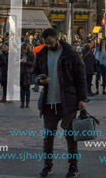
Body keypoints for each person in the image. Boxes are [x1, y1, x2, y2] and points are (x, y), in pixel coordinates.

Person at [33, 28, 88, 178]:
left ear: (57, 39)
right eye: (45, 43)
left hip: (68, 101)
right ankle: (47, 165)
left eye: (50, 43)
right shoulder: (41, 54)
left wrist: (83, 99)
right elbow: (34, 73)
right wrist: (38, 80)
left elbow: (80, 77)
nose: (48, 46)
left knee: (70, 135)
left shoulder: (70, 54)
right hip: (48, 103)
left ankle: (73, 166)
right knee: (48, 136)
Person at [20, 42, 35, 109]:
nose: (23, 51)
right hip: (21, 73)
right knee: (22, 90)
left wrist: (26, 62)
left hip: (28, 73)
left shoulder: (31, 55)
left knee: (27, 89)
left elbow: (33, 64)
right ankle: (22, 103)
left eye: (25, 49)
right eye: (22, 50)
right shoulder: (20, 55)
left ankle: (27, 103)